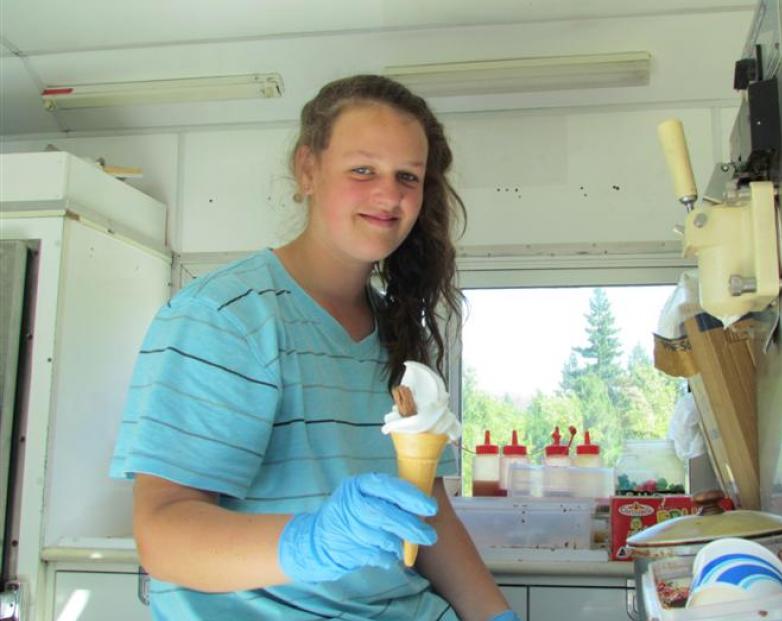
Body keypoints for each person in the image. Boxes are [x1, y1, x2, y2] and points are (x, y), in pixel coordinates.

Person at [110, 74, 520, 621]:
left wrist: (495, 617)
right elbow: (162, 535)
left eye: (408, 176)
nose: (390, 194)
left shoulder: (402, 331)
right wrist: (308, 542)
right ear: (307, 170)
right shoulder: (226, 318)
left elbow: (430, 511)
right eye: (362, 170)